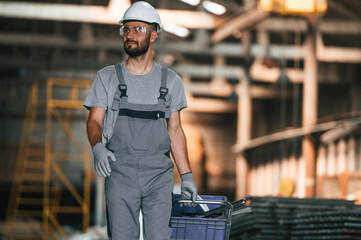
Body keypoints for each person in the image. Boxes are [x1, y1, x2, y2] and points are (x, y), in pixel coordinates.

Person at [83, 1, 197, 239]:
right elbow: (94, 121)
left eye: (138, 29)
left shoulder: (171, 81)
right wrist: (97, 147)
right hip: (120, 171)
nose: (130, 35)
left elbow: (175, 131)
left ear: (154, 35)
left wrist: (186, 176)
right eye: (126, 29)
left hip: (158, 174)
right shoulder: (107, 77)